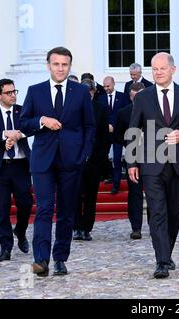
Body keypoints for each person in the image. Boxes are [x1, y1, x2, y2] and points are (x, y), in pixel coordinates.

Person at [20, 47, 96, 277]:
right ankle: (41, 259)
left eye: (65, 64)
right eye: (56, 64)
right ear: (48, 65)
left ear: (69, 66)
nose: (60, 68)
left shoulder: (81, 92)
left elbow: (90, 126)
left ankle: (60, 258)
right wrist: (42, 120)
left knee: (66, 211)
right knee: (44, 209)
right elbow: (24, 123)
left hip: (71, 161)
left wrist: (83, 154)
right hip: (42, 160)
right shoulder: (35, 91)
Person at [127, 52, 179, 279]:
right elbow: (133, 130)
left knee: (173, 211)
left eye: (162, 68)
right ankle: (161, 261)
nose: (158, 72)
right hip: (151, 164)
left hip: (178, 163)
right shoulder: (143, 97)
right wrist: (131, 162)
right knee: (157, 211)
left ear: (173, 69)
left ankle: (167, 252)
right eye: (154, 69)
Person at [0, 79, 33, 262]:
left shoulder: (22, 111)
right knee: (1, 210)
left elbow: (31, 128)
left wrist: (17, 134)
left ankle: (21, 231)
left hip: (20, 166)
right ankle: (6, 248)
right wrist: (4, 135)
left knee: (25, 204)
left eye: (14, 91)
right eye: (9, 92)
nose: (13, 95)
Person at [73, 78, 110, 241]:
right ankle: (76, 227)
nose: (87, 94)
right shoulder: (73, 109)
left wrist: (99, 158)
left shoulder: (101, 108)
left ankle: (87, 228)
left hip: (94, 160)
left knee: (90, 195)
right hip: (75, 159)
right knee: (75, 194)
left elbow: (104, 136)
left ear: (94, 92)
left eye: (90, 91)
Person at [114, 82, 148, 240]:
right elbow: (117, 136)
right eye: (135, 97)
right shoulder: (123, 113)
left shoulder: (153, 111)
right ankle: (136, 228)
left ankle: (156, 226)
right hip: (132, 157)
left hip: (152, 156)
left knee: (155, 192)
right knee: (134, 193)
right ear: (130, 97)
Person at [98, 76, 129, 194]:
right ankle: (110, 176)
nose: (106, 88)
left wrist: (115, 126)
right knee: (103, 158)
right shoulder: (100, 99)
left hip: (119, 134)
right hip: (105, 134)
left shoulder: (123, 97)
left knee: (117, 159)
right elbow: (99, 115)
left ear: (114, 84)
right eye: (104, 86)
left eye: (108, 86)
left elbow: (125, 114)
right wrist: (106, 125)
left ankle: (116, 185)